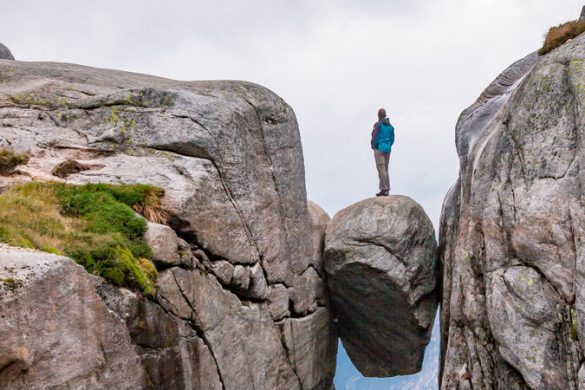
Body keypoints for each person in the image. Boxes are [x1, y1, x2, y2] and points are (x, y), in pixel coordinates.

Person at [370, 108, 395, 197]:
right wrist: (388, 145)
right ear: (385, 115)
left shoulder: (378, 125)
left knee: (381, 169)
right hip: (387, 149)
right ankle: (385, 189)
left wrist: (374, 146)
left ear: (378, 115)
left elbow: (374, 136)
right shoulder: (391, 127)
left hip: (379, 148)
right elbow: (392, 138)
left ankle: (385, 188)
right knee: (385, 169)